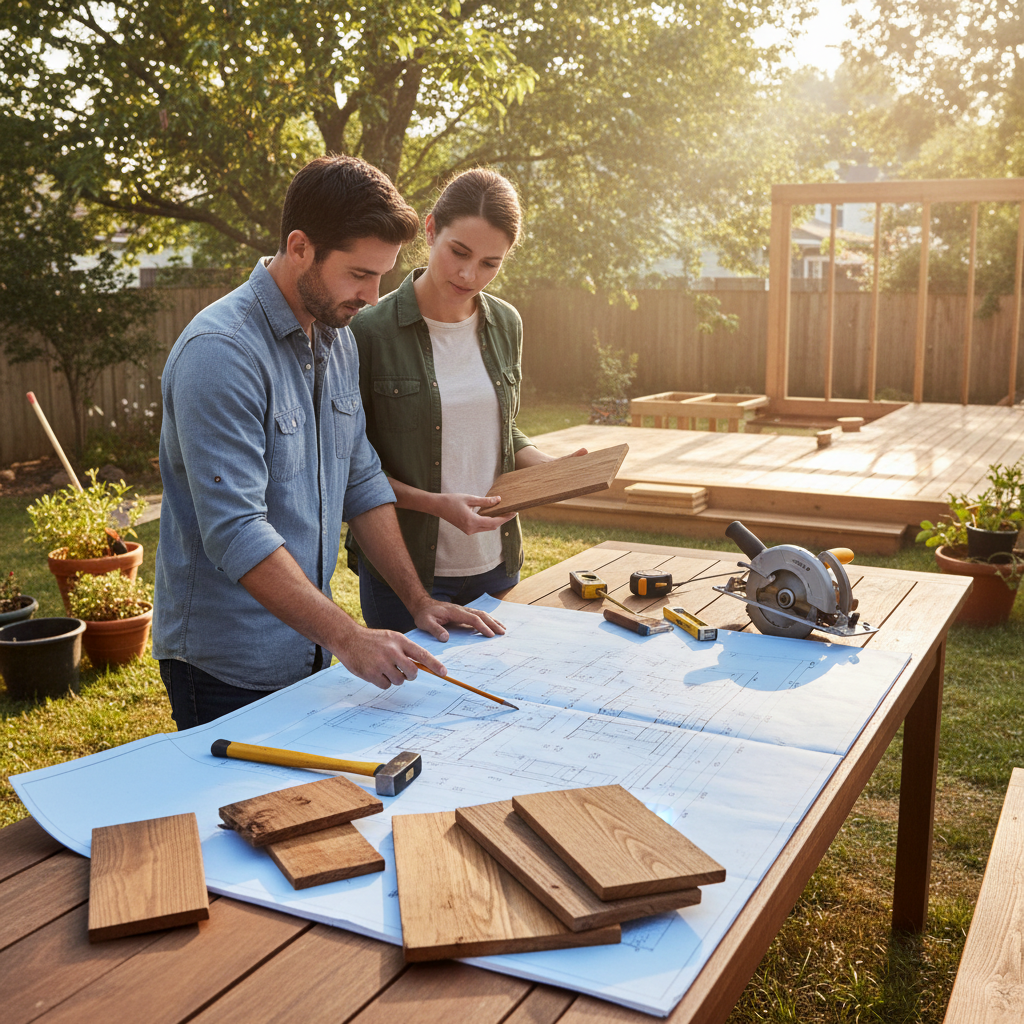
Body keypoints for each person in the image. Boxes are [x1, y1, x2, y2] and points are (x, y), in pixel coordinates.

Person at [153, 155, 504, 730]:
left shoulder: (336, 337)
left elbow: (361, 480)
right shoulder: (221, 353)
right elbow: (236, 531)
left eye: (382, 276)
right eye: (359, 273)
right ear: (300, 247)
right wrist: (349, 636)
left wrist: (418, 601)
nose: (373, 296)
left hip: (309, 649)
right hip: (226, 666)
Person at [348, 168, 585, 632]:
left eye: (489, 263)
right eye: (459, 252)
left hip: (496, 563)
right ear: (431, 229)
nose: (468, 274)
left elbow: (500, 426)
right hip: (406, 573)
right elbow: (352, 467)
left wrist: (550, 468)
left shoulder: (506, 324)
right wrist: (436, 504)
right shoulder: (368, 331)